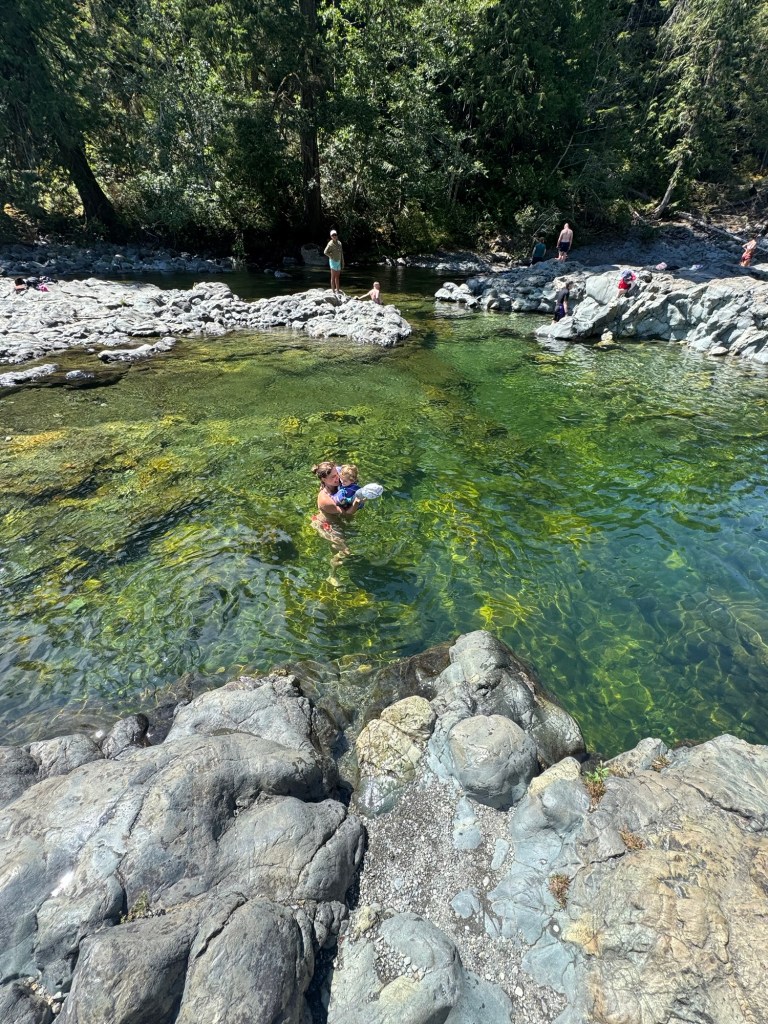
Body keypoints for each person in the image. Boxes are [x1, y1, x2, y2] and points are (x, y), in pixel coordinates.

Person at [310, 460, 361, 556]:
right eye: (333, 477)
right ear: (324, 479)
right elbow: (346, 514)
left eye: (337, 473)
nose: (337, 477)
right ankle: (334, 564)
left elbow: (349, 473)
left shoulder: (337, 481)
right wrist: (357, 502)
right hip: (328, 526)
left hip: (337, 520)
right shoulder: (325, 500)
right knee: (345, 552)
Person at [323, 229, 344, 294]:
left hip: (339, 261)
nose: (334, 236)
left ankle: (337, 290)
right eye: (333, 235)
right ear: (331, 236)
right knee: (333, 277)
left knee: (337, 277)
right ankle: (333, 291)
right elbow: (325, 252)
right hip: (333, 262)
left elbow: (341, 253)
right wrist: (331, 256)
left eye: (335, 235)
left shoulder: (340, 243)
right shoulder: (330, 244)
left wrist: (342, 261)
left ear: (337, 235)